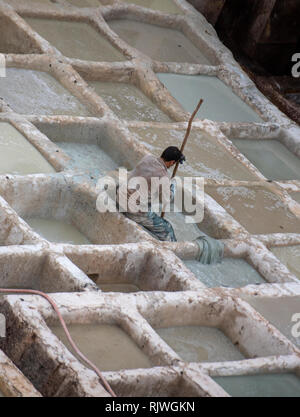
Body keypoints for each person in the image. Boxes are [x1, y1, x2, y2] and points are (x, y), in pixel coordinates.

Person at [117, 147, 185, 242]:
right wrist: (172, 186)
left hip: (120, 196)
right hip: (132, 209)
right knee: (167, 229)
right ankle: (171, 248)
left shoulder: (148, 158)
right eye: (173, 163)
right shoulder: (164, 176)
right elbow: (166, 199)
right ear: (172, 162)